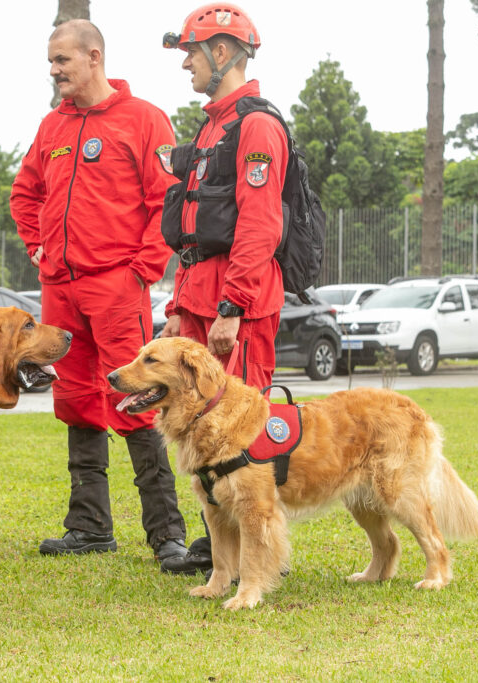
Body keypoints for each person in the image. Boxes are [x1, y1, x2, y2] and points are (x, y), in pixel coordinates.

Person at [10, 19, 188, 566]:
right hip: (59, 291)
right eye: (51, 62)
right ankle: (88, 527)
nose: (54, 70)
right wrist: (38, 246)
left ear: (93, 57)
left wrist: (142, 269)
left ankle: (167, 536)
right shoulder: (51, 127)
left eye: (62, 61)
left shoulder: (143, 120)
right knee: (75, 399)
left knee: (134, 399)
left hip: (116, 287)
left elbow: (170, 202)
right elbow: (25, 193)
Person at [156, 3, 288, 575]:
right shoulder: (213, 124)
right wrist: (179, 308)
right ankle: (219, 550)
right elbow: (195, 234)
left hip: (237, 301)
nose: (186, 63)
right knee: (201, 426)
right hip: (199, 297)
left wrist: (232, 305)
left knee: (241, 428)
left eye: (192, 52)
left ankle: (260, 557)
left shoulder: (256, 125)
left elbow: (259, 227)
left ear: (223, 53)